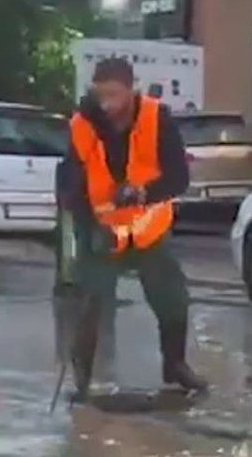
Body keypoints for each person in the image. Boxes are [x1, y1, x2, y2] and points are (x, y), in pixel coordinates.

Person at [57, 57, 208, 401]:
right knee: (89, 299)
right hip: (102, 229)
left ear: (130, 89)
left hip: (147, 229)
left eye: (114, 95)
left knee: (172, 297)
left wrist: (144, 192)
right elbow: (71, 183)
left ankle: (176, 365)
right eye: (101, 95)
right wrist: (88, 223)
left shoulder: (157, 118)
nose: (107, 104)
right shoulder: (82, 125)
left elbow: (178, 178)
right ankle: (81, 379)